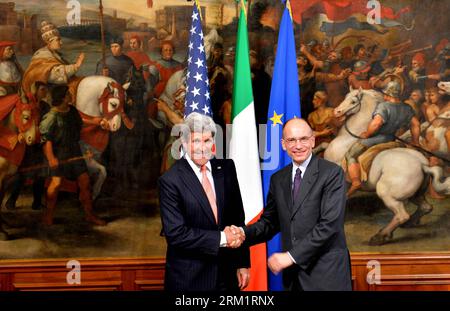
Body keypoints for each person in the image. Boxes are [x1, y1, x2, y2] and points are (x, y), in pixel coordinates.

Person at [231, 118, 352, 291]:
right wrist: (242, 233)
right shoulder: (278, 179)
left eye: (303, 139)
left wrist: (290, 257)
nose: (298, 145)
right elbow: (269, 223)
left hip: (327, 275)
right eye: (291, 140)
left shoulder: (332, 173)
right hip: (293, 279)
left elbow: (330, 225)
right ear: (283, 144)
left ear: (312, 141)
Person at [158, 112, 250, 291]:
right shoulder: (170, 181)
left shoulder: (226, 168)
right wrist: (223, 238)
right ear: (184, 143)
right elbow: (176, 234)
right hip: (190, 279)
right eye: (196, 141)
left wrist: (242, 263)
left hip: (227, 275)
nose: (202, 148)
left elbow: (237, 219)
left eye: (207, 141)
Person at [39, 85, 105, 226]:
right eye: (68, 93)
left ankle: (89, 215)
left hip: (75, 151)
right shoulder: (51, 117)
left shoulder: (72, 111)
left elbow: (79, 127)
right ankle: (48, 215)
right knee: (55, 184)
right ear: (62, 98)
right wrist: (51, 158)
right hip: (59, 154)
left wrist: (85, 149)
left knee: (85, 182)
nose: (70, 95)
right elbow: (46, 141)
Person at [345, 81, 420, 196]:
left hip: (377, 139)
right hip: (391, 139)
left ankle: (356, 182)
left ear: (387, 94)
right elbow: (416, 124)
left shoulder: (384, 106)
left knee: (350, 154)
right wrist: (415, 141)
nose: (384, 96)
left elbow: (376, 124)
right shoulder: (407, 108)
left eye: (384, 94)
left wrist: (367, 133)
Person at [22, 21, 84, 94]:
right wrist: (76, 66)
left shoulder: (54, 54)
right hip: (46, 93)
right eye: (58, 40)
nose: (61, 43)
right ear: (49, 41)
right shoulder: (42, 55)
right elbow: (53, 75)